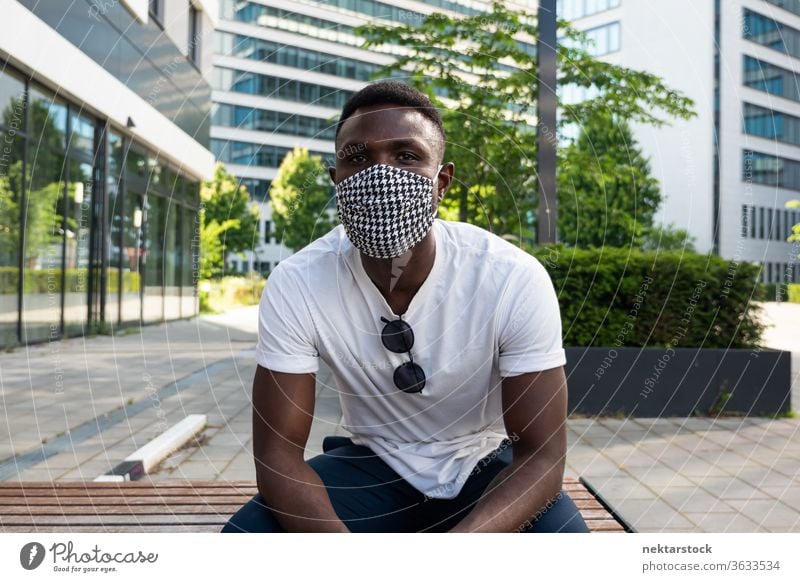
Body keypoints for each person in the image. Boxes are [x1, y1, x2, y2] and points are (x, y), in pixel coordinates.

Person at [221, 81, 589, 533]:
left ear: (442, 182)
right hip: (372, 465)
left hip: (487, 465)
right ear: (337, 180)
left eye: (407, 156)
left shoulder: (510, 277)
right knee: (244, 540)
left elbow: (543, 455)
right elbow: (278, 456)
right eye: (357, 158)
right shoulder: (299, 282)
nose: (381, 174)